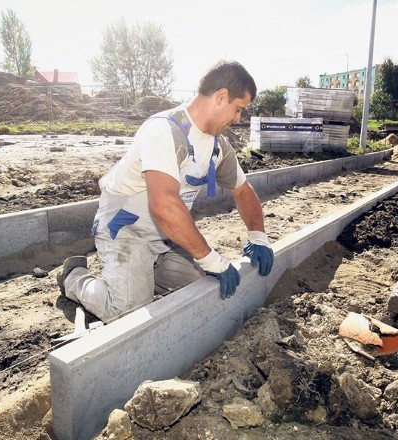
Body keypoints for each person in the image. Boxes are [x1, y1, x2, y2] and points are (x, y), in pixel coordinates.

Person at [57, 60, 274, 322]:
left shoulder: (218, 147)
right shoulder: (164, 130)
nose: (238, 119)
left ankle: (147, 273)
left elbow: (243, 191)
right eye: (238, 109)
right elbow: (164, 205)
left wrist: (258, 237)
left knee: (205, 289)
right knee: (128, 313)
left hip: (165, 240)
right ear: (221, 96)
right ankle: (74, 277)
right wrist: (209, 258)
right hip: (126, 232)